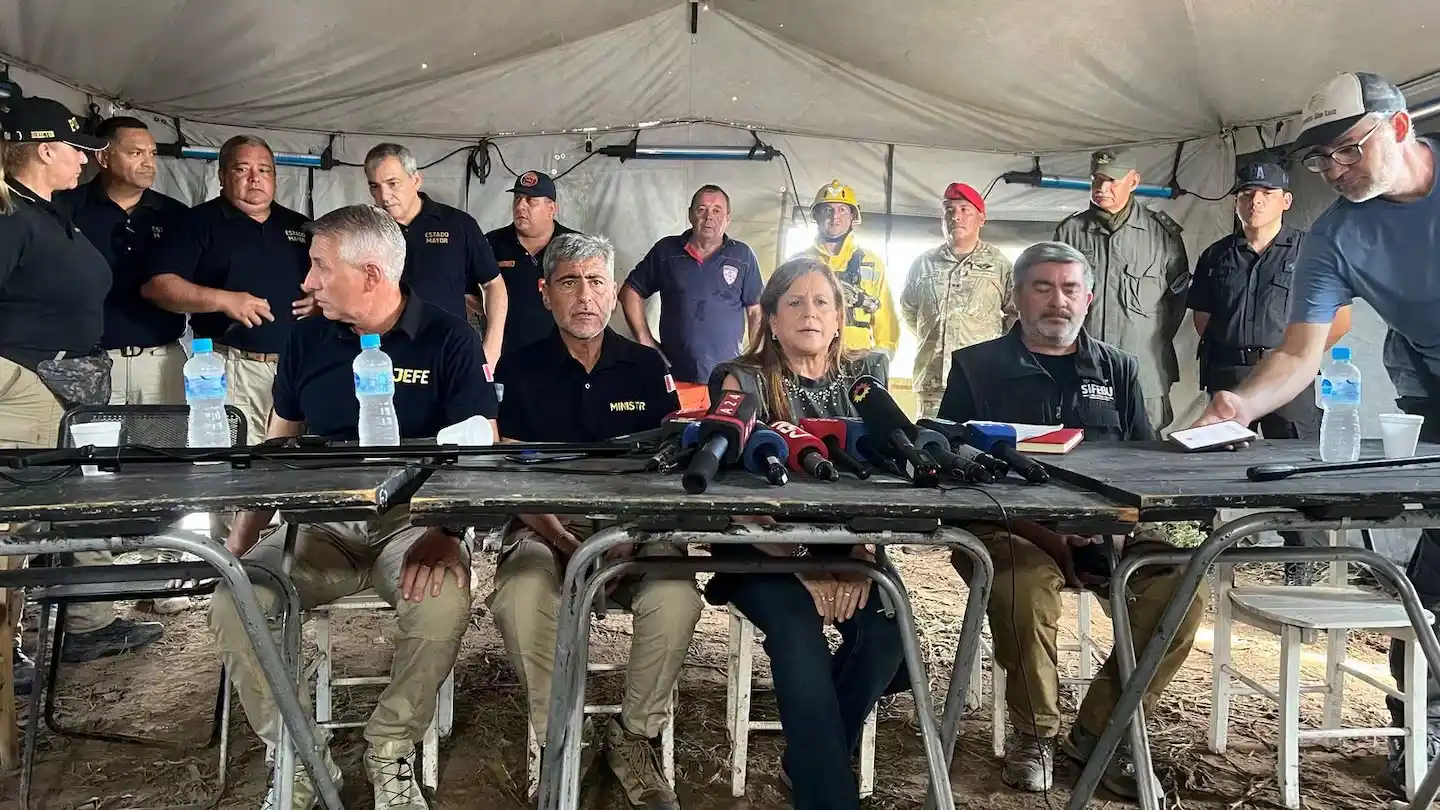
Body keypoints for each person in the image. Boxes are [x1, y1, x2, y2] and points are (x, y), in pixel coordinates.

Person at [1191, 71, 1440, 793]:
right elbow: (1299, 353)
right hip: (1431, 386)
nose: (1335, 170)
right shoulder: (1335, 236)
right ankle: (1420, 724)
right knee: (1433, 572)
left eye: (1345, 151)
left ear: (1399, 127)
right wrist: (1239, 404)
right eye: (1321, 160)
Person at [211, 204, 497, 810]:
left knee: (442, 603)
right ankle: (298, 754)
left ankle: (390, 748)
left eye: (318, 267)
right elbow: (279, 445)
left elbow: (478, 451)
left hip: (414, 527)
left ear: (370, 274)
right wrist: (240, 541)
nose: (306, 282)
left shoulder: (449, 337)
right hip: (321, 528)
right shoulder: (307, 338)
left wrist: (449, 532)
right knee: (238, 598)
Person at [939, 242, 1206, 799]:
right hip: (1008, 530)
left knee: (1183, 588)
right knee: (1023, 586)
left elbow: (1142, 467)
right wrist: (1045, 531)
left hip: (1109, 533)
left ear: (1087, 298)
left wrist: (1117, 526)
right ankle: (1035, 734)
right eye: (1042, 287)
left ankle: (1100, 733)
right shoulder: (976, 367)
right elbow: (951, 470)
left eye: (1069, 289)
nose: (1057, 301)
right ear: (1017, 298)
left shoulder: (1119, 368)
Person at [490, 233, 696, 810]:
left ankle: (633, 737)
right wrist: (558, 536)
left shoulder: (645, 366)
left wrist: (629, 537)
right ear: (545, 294)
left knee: (677, 597)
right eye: (569, 283)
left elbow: (668, 467)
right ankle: (561, 738)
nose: (585, 297)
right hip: (541, 521)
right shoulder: (519, 368)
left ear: (613, 295)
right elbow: (505, 466)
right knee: (521, 595)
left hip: (635, 525)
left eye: (597, 282)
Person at [704, 256, 900, 810]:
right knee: (799, 636)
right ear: (769, 317)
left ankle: (809, 757)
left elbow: (890, 483)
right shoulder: (740, 380)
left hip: (848, 549)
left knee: (887, 633)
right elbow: (731, 497)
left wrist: (861, 553)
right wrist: (802, 564)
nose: (809, 313)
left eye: (821, 302)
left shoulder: (866, 383)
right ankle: (828, 798)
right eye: (794, 302)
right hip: (758, 550)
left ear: (839, 317)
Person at [0, 95, 165, 664]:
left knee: (66, 512)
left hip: (67, 384)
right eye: (78, 147)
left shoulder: (44, 211)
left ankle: (78, 626)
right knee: (14, 530)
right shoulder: (10, 218)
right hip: (27, 388)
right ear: (45, 150)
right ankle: (3, 657)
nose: (87, 157)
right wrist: (13, 381)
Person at [1187, 161, 1351, 585]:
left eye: (1265, 193)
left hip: (1287, 379)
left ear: (1286, 200)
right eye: (1246, 194)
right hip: (1229, 373)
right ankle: (1206, 561)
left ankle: (1304, 562)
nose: (1255, 201)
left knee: (1298, 470)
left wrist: (1296, 358)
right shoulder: (1216, 254)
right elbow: (1202, 318)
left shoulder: (1310, 251)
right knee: (1216, 471)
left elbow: (1341, 319)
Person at [142, 134, 312, 441]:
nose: (254, 178)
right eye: (242, 169)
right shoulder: (197, 222)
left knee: (294, 465)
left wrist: (320, 300)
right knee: (241, 461)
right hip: (234, 368)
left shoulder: (300, 225)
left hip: (296, 368)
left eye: (264, 170)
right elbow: (158, 286)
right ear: (222, 176)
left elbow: (326, 279)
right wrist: (224, 300)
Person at [1055, 150, 1189, 435]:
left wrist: (1149, 338)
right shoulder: (1070, 233)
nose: (1102, 188)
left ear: (1134, 181)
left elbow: (1178, 300)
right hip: (1083, 368)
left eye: (1112, 181)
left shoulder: (1161, 235)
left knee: (1147, 450)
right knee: (1083, 448)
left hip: (1145, 369)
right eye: (1096, 180)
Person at [59, 116, 189, 406]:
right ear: (103, 157)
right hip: (88, 362)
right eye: (135, 153)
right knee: (88, 450)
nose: (148, 162)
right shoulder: (65, 209)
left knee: (164, 450)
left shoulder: (176, 215)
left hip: (160, 362)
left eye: (152, 153)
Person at [364, 142, 509, 366]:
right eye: (375, 186)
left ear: (416, 179)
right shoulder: (365, 231)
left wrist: (492, 348)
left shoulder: (458, 225)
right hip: (384, 354)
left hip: (447, 352)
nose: (384, 196)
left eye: (393, 183)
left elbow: (493, 284)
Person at [620, 184, 763, 411]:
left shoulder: (743, 255)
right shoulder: (667, 251)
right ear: (689, 214)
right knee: (678, 440)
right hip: (676, 376)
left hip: (729, 379)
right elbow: (630, 291)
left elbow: (756, 311)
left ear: (728, 218)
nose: (708, 217)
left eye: (717, 210)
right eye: (701, 209)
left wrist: (755, 358)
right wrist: (646, 341)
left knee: (725, 438)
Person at [900, 182, 1015, 418]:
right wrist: (933, 338)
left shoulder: (999, 265)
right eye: (949, 211)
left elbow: (1016, 314)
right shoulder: (923, 265)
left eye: (965, 210)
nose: (956, 217)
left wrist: (992, 346)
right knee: (930, 448)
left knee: (981, 449)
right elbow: (910, 312)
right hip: (933, 385)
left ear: (981, 219)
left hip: (983, 381)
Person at [800, 180, 899, 356]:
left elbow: (886, 317)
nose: (834, 216)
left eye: (842, 209)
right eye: (827, 210)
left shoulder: (872, 262)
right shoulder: (798, 263)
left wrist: (881, 360)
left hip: (857, 359)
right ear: (816, 215)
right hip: (808, 358)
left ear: (853, 216)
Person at [486, 169, 579, 353]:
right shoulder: (490, 244)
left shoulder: (575, 246)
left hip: (564, 357)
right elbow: (469, 293)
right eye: (517, 198)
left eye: (530, 200)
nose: (520, 206)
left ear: (551, 209)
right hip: (506, 356)